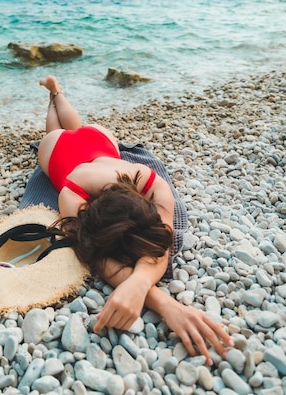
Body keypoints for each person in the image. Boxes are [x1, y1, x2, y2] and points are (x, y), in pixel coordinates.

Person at [37, 75, 233, 365]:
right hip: (76, 145)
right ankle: (56, 93)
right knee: (57, 131)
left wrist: (141, 285)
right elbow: (95, 255)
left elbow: (159, 237)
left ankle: (54, 93)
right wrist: (163, 301)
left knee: (56, 128)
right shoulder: (73, 193)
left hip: (91, 142)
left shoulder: (148, 184)